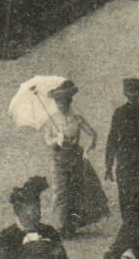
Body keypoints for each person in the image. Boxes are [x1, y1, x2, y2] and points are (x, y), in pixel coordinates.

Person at [41, 80, 109, 236]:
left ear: (68, 101)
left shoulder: (76, 118)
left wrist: (87, 149)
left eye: (63, 101)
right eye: (58, 101)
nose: (60, 105)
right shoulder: (52, 120)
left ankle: (71, 226)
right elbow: (47, 140)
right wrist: (56, 140)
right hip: (58, 158)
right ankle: (60, 226)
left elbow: (92, 134)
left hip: (75, 157)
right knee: (60, 191)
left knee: (75, 190)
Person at [104, 78, 139, 223]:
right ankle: (128, 229)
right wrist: (108, 165)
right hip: (124, 163)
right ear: (124, 93)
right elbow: (112, 139)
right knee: (125, 199)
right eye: (129, 92)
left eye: (135, 92)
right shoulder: (119, 113)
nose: (132, 95)